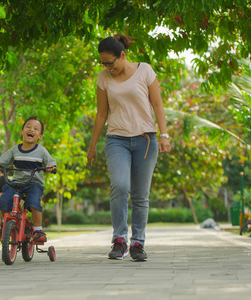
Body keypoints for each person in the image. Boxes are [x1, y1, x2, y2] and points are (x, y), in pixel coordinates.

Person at [87, 34, 171, 262]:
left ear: (122, 55)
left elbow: (157, 104)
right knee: (120, 186)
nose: (107, 67)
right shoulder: (103, 78)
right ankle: (120, 240)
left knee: (141, 195)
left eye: (110, 63)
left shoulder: (145, 71)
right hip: (117, 140)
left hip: (145, 140)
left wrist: (164, 135)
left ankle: (137, 244)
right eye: (103, 63)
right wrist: (92, 145)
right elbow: (102, 113)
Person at [0, 116, 56, 243]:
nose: (31, 130)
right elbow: (2, 161)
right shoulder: (15, 150)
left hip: (34, 183)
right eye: (28, 127)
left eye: (36, 129)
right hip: (16, 183)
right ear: (22, 131)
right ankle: (6, 224)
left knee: (34, 203)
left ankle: (38, 230)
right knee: (3, 202)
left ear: (40, 136)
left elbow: (51, 163)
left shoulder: (41, 151)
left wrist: (50, 168)